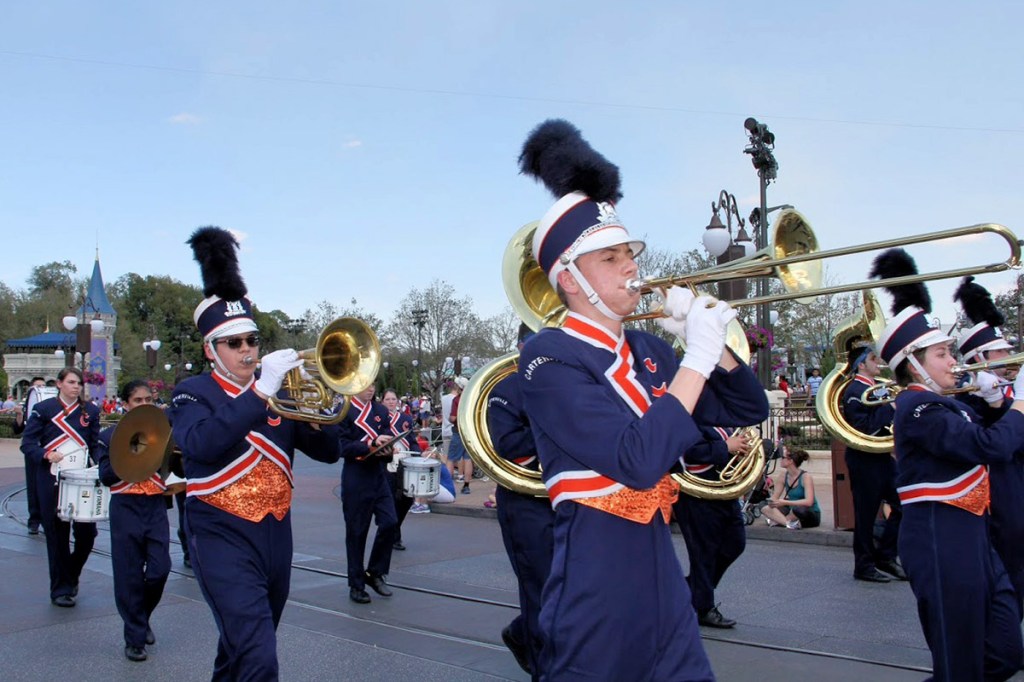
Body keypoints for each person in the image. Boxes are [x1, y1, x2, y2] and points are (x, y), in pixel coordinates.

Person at [516, 119, 769, 680]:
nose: (631, 265)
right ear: (570, 279)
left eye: (629, 252)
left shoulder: (650, 348)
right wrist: (697, 361)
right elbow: (635, 459)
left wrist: (714, 347)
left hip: (659, 565)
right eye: (609, 258)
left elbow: (748, 410)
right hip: (594, 573)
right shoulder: (547, 358)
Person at [171, 226, 341, 679]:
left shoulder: (280, 393)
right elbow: (201, 444)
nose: (247, 351)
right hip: (218, 530)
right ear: (212, 351)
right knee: (259, 654)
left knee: (241, 649)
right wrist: (262, 391)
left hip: (276, 536)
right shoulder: (193, 392)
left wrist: (327, 404)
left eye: (252, 341)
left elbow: (328, 451)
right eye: (235, 343)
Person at [873, 248, 1023, 682]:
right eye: (941, 354)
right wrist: (1019, 408)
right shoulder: (918, 408)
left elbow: (992, 433)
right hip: (940, 535)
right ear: (914, 364)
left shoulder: (947, 405)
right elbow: (989, 446)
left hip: (975, 536)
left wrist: (999, 400)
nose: (952, 361)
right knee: (959, 662)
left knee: (1006, 653)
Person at [953, 276, 1024, 616]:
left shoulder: (1007, 391)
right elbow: (997, 444)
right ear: (981, 356)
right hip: (999, 496)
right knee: (1009, 570)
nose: (1010, 356)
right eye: (1001, 351)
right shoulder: (972, 398)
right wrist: (995, 403)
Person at [486, 323, 554, 677]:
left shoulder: (563, 386)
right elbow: (509, 445)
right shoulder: (507, 388)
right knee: (540, 590)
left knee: (571, 587)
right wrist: (556, 428)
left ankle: (519, 632)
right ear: (521, 346)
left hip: (564, 498)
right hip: (525, 502)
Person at [96, 380, 170, 662]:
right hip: (125, 506)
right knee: (128, 574)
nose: (144, 405)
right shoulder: (109, 435)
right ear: (126, 404)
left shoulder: (162, 433)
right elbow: (105, 476)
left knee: (160, 569)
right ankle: (134, 638)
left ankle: (141, 616)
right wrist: (131, 455)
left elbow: (175, 467)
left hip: (154, 506)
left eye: (148, 400)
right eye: (138, 401)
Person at [20, 367, 100, 607]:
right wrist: (46, 454)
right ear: (60, 384)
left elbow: (94, 444)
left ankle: (71, 573)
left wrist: (99, 464)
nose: (76, 387)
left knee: (87, 535)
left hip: (81, 480)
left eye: (79, 383)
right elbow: (28, 444)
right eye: (72, 382)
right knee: (57, 536)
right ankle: (60, 590)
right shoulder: (43, 410)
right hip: (51, 479)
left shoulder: (91, 412)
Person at [673, 426, 753, 628]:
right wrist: (724, 446)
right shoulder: (688, 411)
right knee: (703, 552)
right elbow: (683, 450)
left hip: (725, 489)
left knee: (736, 543)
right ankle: (703, 607)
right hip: (696, 494)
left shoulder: (723, 416)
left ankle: (691, 588)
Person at [839, 337, 904, 583]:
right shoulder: (855, 391)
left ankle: (886, 555)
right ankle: (863, 565)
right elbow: (865, 428)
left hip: (882, 458)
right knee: (865, 515)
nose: (878, 363)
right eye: (873, 359)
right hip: (864, 458)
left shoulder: (878, 387)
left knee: (903, 504)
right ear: (861, 365)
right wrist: (890, 407)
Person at [337, 384, 399, 604]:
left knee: (390, 522)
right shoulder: (343, 410)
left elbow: (387, 436)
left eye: (372, 385)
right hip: (355, 477)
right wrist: (370, 444)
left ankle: (375, 572)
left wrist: (389, 448)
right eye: (366, 386)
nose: (370, 389)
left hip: (378, 474)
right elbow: (342, 446)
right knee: (356, 533)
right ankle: (356, 584)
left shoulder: (380, 411)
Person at [381, 387, 421, 551]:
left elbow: (411, 439)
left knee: (406, 499)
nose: (391, 402)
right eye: (387, 399)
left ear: (398, 401)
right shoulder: (379, 418)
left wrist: (418, 451)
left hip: (405, 463)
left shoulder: (405, 418)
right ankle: (393, 536)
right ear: (382, 401)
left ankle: (394, 529)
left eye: (393, 399)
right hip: (388, 464)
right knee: (391, 498)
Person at [13, 376, 48, 534]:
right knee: (33, 485)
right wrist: (19, 415)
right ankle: (34, 519)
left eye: (43, 386)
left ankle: (49, 518)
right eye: (37, 386)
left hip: (49, 449)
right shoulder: (29, 407)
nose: (40, 389)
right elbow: (18, 429)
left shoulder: (50, 407)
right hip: (33, 450)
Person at [761, 446, 821, 529]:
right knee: (764, 507)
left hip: (808, 512)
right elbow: (775, 497)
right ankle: (788, 524)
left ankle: (779, 521)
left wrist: (785, 502)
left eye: (783, 457)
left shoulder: (805, 477)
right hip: (791, 510)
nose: (780, 460)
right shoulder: (783, 476)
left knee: (799, 510)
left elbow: (809, 502)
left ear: (790, 461)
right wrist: (771, 501)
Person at [447, 376, 474, 494]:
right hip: (470, 433)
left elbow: (453, 417)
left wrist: (452, 418)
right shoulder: (473, 398)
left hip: (458, 432)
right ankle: (466, 485)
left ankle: (447, 484)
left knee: (451, 458)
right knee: (468, 459)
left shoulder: (457, 399)